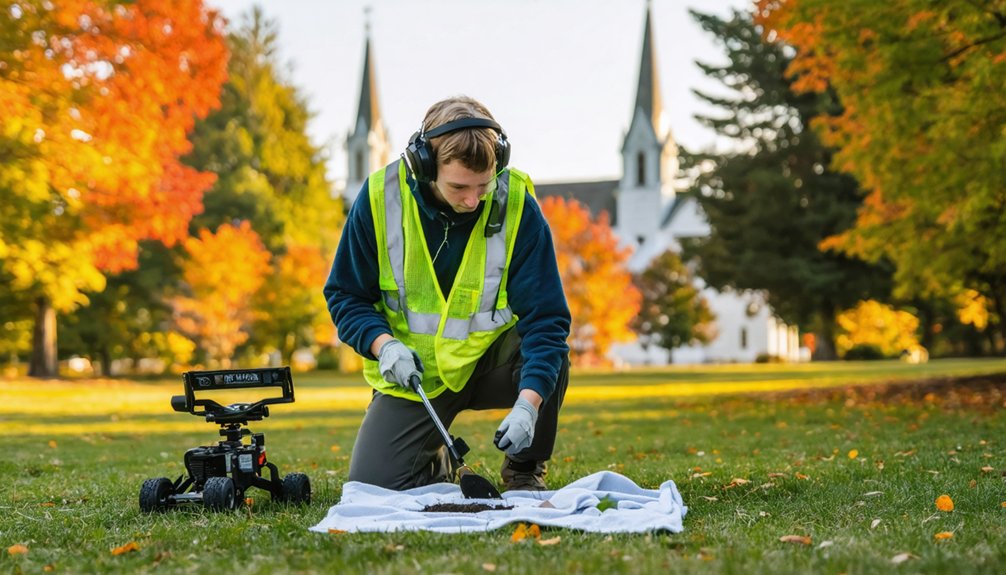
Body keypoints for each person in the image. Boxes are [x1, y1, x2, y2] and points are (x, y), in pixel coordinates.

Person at [323, 95, 570, 492]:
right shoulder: (380, 199)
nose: (473, 200)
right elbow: (345, 295)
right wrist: (384, 346)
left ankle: (524, 470)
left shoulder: (517, 205)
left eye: (483, 185)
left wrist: (528, 405)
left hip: (492, 365)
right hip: (417, 375)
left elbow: (547, 319)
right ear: (423, 165)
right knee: (375, 485)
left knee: (551, 357)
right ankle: (436, 458)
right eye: (458, 186)